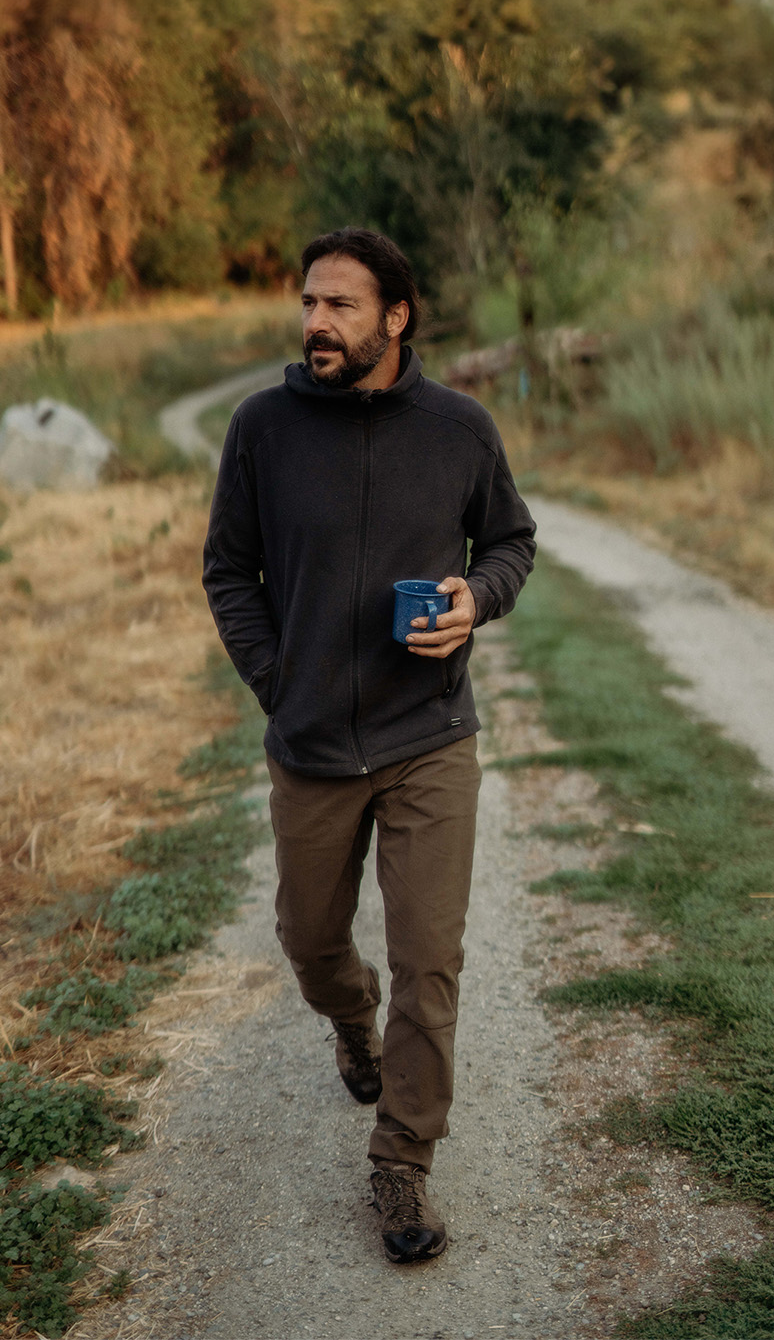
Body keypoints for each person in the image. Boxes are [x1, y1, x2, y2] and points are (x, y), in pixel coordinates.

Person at [201, 227, 538, 1264]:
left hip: (428, 734)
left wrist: (473, 602)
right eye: (309, 303)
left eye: (340, 306)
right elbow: (229, 572)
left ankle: (402, 1167)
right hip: (309, 743)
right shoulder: (262, 428)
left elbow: (513, 541)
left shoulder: (459, 429)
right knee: (311, 944)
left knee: (429, 958)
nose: (315, 323)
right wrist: (278, 678)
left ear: (397, 317)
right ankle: (353, 1024)